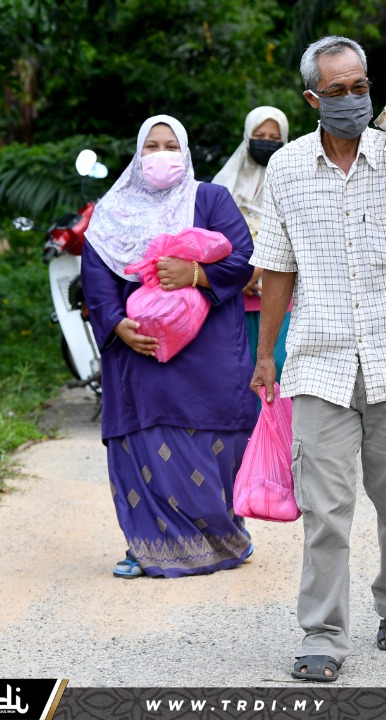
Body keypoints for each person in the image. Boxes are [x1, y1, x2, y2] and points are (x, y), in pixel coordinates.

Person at [248, 36, 386, 683]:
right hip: (319, 364)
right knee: (324, 511)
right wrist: (266, 354)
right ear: (312, 99)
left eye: (360, 87)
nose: (352, 99)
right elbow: (279, 270)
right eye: (338, 90)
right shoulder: (287, 168)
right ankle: (322, 634)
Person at [81, 115, 258, 579]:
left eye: (171, 145)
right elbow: (95, 275)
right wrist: (116, 325)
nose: (161, 155)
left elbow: (244, 260)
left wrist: (195, 274)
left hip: (207, 349)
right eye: (152, 146)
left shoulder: (210, 199)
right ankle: (147, 545)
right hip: (138, 351)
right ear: (138, 155)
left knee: (211, 439)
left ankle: (223, 538)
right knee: (145, 440)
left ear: (186, 152)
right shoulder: (111, 210)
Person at [212, 106, 293, 381]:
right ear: (248, 137)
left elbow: (296, 233)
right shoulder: (225, 183)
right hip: (233, 293)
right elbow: (210, 234)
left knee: (279, 366)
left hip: (280, 292)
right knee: (240, 369)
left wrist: (254, 269)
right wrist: (239, 274)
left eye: (274, 137)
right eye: (260, 136)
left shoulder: (292, 182)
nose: (267, 142)